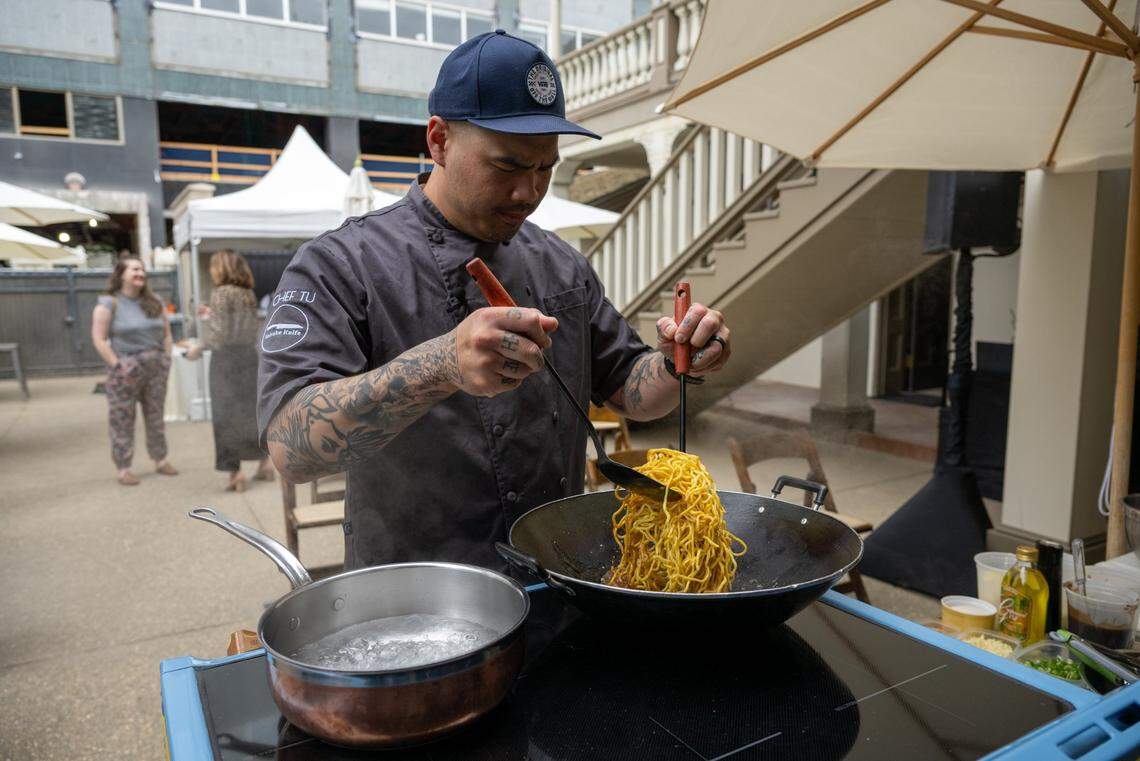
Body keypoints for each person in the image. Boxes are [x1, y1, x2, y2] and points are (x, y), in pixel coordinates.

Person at [258, 31, 731, 571]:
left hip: (561, 576)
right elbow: (289, 448)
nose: (529, 192)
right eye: (507, 166)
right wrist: (440, 364)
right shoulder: (343, 263)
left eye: (545, 168)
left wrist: (678, 362)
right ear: (439, 140)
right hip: (417, 598)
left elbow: (632, 392)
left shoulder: (562, 263)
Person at [186, 251, 274, 492]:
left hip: (225, 360)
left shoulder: (220, 293)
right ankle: (264, 463)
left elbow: (219, 334)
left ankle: (235, 474)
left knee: (225, 416)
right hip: (248, 357)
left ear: (222, 268)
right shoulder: (248, 294)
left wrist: (198, 348)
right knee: (250, 413)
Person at [91, 257, 179, 485]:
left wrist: (166, 358)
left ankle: (160, 459)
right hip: (125, 372)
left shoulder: (154, 301)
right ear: (121, 274)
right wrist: (117, 365)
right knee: (122, 420)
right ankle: (123, 467)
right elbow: (99, 339)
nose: (140, 273)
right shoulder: (109, 303)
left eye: (142, 270)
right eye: (135, 269)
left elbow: (167, 334)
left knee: (156, 417)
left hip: (156, 369)